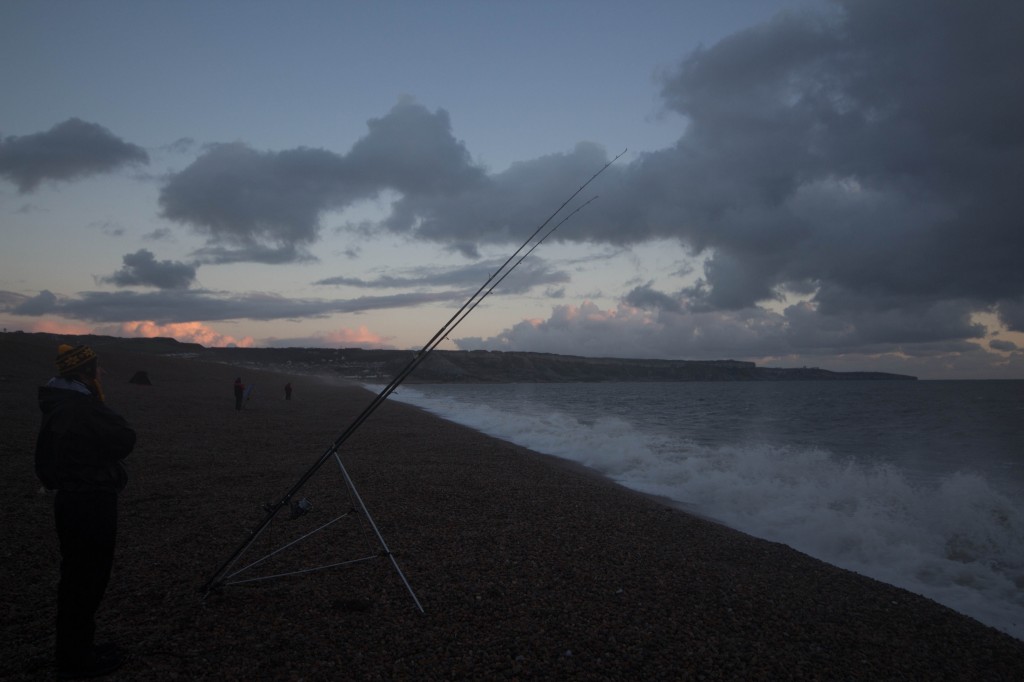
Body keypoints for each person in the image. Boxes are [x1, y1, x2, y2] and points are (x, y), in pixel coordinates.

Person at [35, 344, 136, 679]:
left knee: (79, 577)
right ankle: (76, 659)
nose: (101, 373)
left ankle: (78, 648)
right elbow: (124, 437)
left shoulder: (60, 403)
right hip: (88, 501)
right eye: (98, 367)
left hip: (73, 499)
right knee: (86, 579)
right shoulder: (79, 407)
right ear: (83, 372)